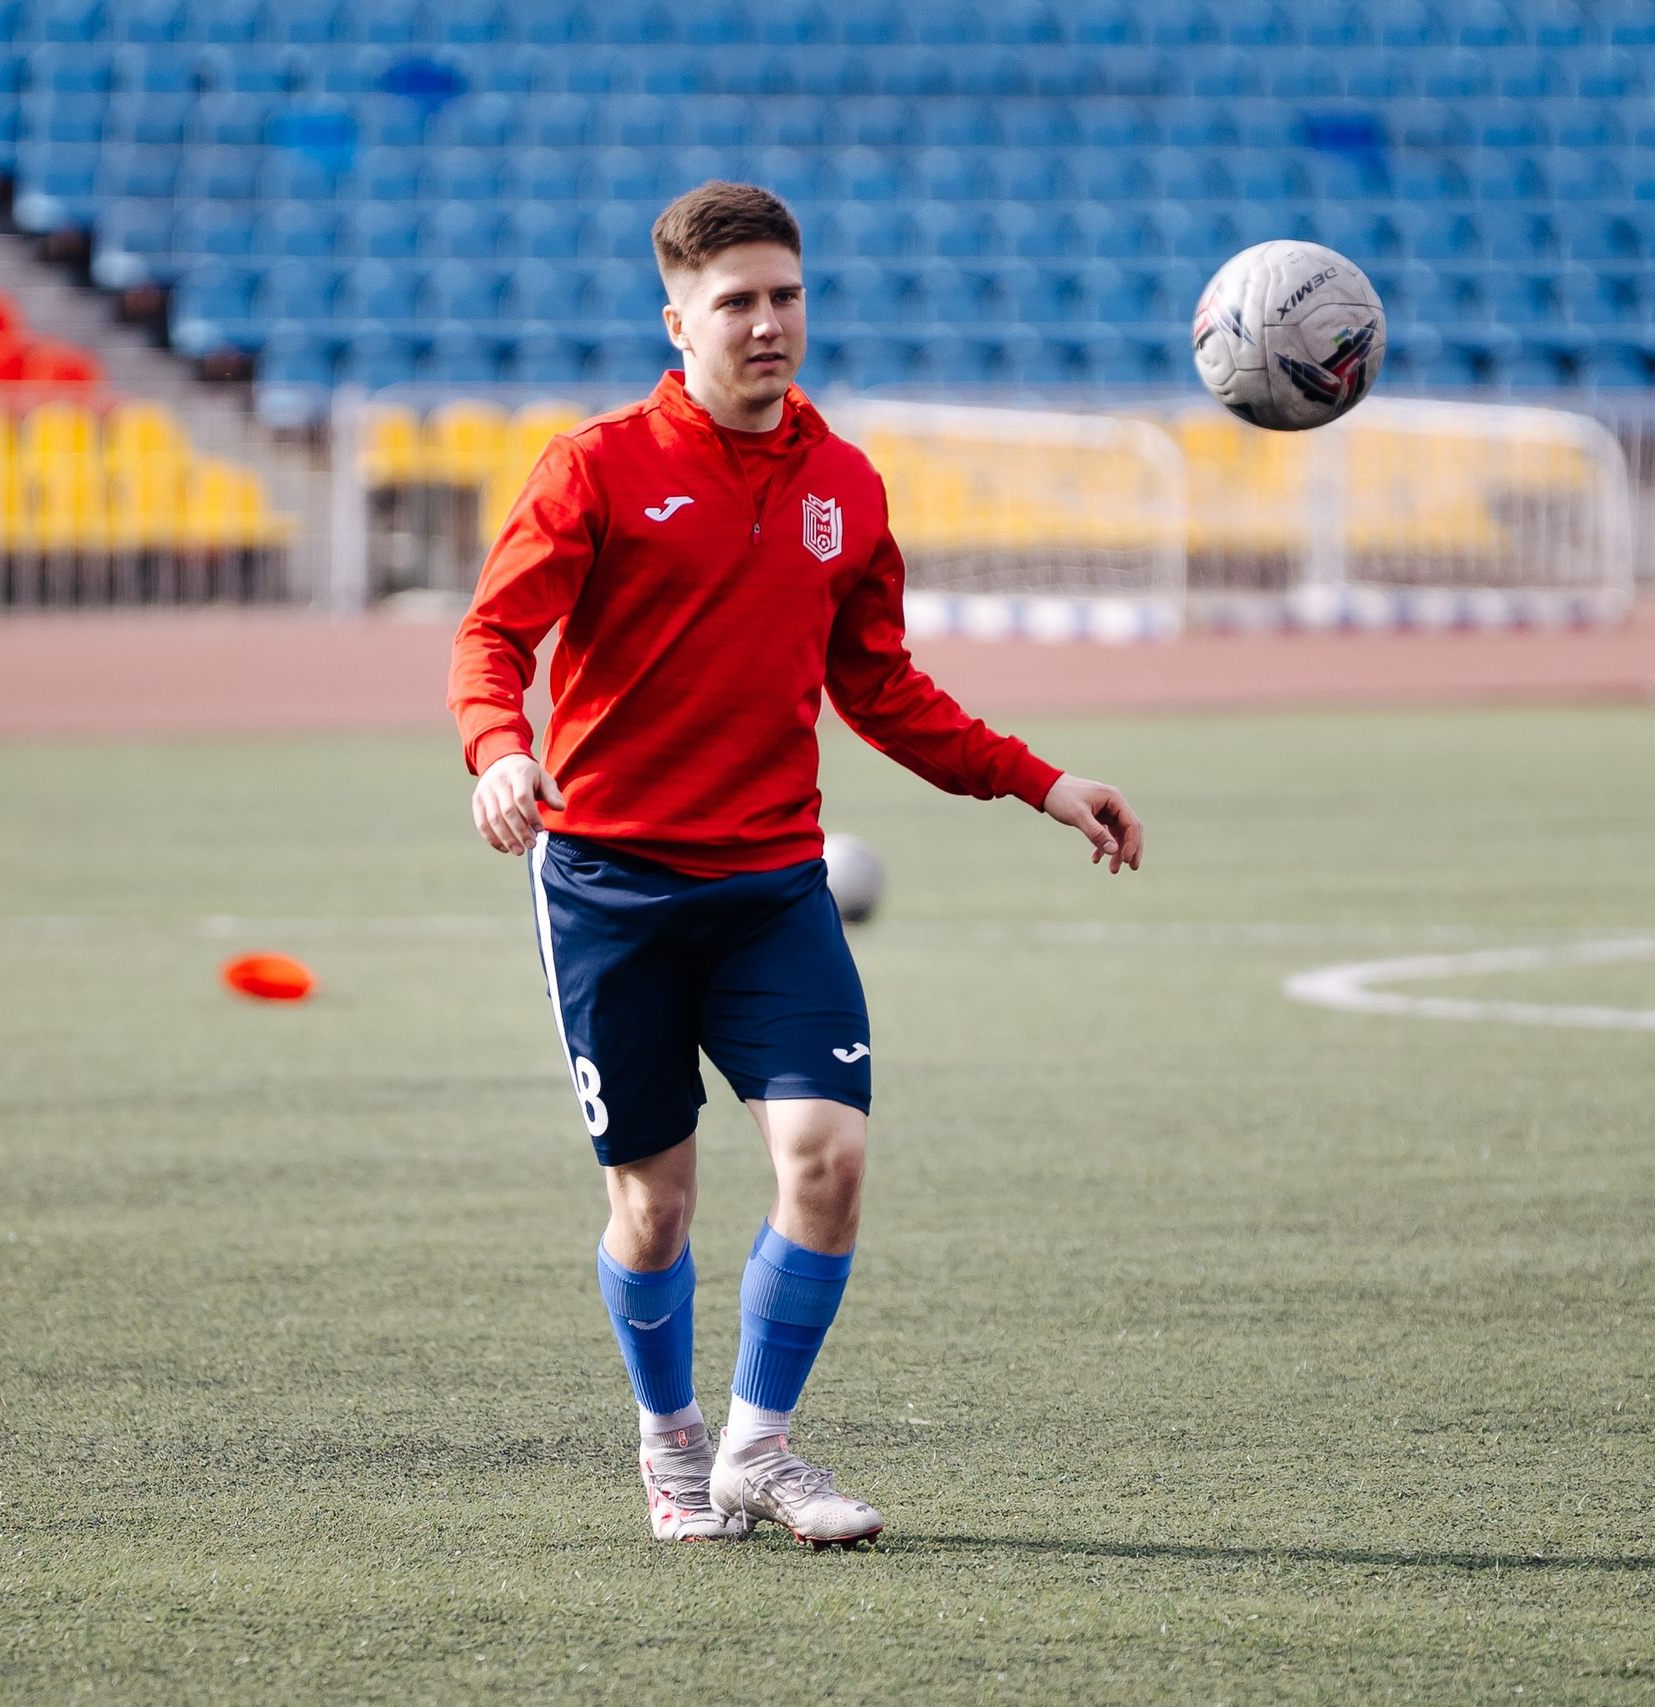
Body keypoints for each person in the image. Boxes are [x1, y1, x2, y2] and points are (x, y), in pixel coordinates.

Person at [448, 180, 1144, 1549]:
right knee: (655, 1206)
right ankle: (670, 1445)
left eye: (786, 295)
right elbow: (490, 639)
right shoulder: (592, 469)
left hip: (773, 890)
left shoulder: (846, 485)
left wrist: (1044, 783)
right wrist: (496, 749)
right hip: (611, 892)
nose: (769, 325)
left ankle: (761, 1449)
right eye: (737, 303)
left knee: (826, 1162)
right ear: (678, 318)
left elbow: (882, 689)